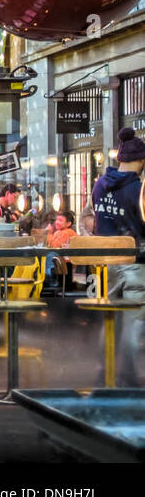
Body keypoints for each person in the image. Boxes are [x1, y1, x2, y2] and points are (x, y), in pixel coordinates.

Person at [92, 127, 145, 385]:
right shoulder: (139, 189)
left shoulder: (100, 185)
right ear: (142, 160)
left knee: (110, 316)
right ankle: (129, 378)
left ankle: (106, 371)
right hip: (135, 262)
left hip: (106, 264)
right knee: (133, 320)